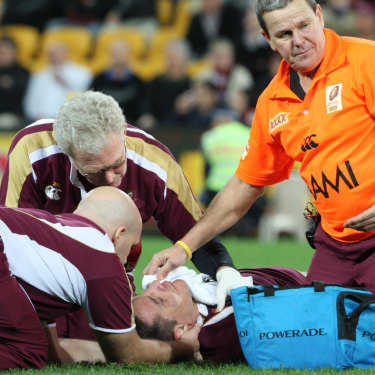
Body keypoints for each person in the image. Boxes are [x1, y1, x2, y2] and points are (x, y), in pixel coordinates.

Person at [143, 0, 375, 311]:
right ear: (268, 39)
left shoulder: (365, 60)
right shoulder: (272, 102)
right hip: (335, 243)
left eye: (304, 25)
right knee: (314, 334)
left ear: (319, 15)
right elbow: (246, 185)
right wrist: (185, 247)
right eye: (284, 33)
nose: (298, 40)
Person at [0, 90, 235, 338]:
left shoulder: (156, 164)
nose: (110, 179)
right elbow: (12, 245)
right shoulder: (33, 148)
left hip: (112, 286)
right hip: (43, 283)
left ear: (123, 132)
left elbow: (196, 236)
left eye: (116, 164)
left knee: (120, 349)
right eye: (94, 172)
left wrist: (225, 270)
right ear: (67, 152)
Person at [0, 186, 199, 369]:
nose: (125, 261)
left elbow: (51, 349)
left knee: (33, 345)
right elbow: (127, 356)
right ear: (118, 235)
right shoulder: (103, 260)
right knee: (28, 351)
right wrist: (187, 347)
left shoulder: (47, 227)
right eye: (132, 247)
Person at [48, 265, 307, 363]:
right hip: (319, 293)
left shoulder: (197, 297)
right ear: (182, 330)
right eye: (161, 300)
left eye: (146, 292)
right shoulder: (218, 334)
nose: (157, 285)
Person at [23, 41, 92, 123]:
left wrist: (65, 83)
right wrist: (36, 115)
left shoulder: (82, 73)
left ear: (66, 53)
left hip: (69, 120)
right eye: (51, 54)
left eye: (57, 53)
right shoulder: (39, 75)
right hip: (41, 119)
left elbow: (82, 96)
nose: (53, 57)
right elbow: (31, 99)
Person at [89, 40, 146, 125]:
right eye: (114, 54)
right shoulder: (98, 80)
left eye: (121, 53)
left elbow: (144, 107)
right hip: (104, 126)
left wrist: (145, 115)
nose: (117, 57)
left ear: (129, 56)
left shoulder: (138, 82)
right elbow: (90, 105)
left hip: (132, 125)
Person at [0, 36, 30, 130]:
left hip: (13, 116)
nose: (1, 56)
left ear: (14, 53)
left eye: (4, 53)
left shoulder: (23, 73)